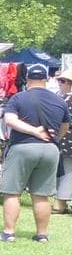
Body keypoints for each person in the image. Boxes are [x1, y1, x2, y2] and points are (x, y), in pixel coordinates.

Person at [0, 64, 70, 243]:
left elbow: (10, 120)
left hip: (23, 147)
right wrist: (49, 137)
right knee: (42, 193)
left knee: (12, 192)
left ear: (27, 79)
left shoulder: (19, 98)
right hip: (50, 150)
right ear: (46, 79)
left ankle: (8, 233)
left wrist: (34, 131)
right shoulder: (60, 101)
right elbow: (65, 128)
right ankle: (42, 235)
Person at [55, 68, 72, 215]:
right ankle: (60, 202)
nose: (59, 83)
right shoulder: (61, 98)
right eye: (59, 80)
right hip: (63, 141)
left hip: (67, 141)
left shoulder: (66, 99)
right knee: (66, 171)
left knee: (67, 172)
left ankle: (60, 203)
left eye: (63, 80)